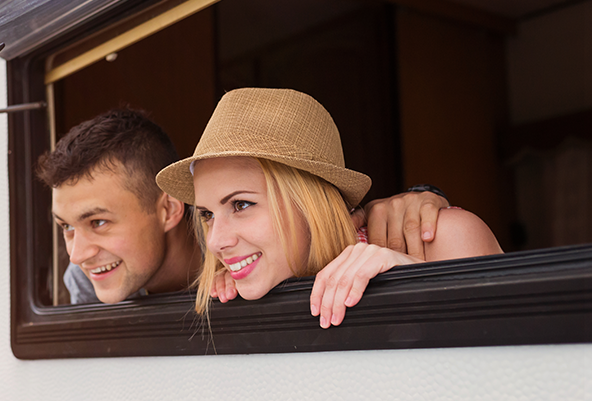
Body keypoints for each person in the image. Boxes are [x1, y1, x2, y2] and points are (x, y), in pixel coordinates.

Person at [154, 88, 502, 325]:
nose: (215, 242)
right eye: (208, 215)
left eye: (242, 204)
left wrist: (411, 281)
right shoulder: (244, 286)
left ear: (310, 203)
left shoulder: (442, 239)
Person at [37, 108, 452, 304]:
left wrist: (416, 205)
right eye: (66, 227)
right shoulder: (84, 282)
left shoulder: (398, 237)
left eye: (99, 222)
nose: (77, 254)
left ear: (168, 210)